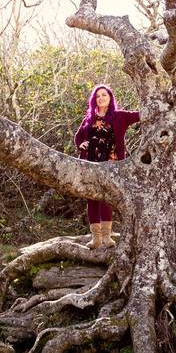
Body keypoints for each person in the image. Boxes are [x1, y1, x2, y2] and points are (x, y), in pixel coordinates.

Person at [74, 84, 140, 248]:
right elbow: (79, 136)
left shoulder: (119, 116)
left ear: (110, 98)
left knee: (106, 198)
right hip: (90, 162)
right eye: (98, 96)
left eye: (104, 95)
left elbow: (141, 115)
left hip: (111, 164)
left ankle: (107, 237)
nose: (101, 98)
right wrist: (81, 144)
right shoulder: (89, 118)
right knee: (92, 198)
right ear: (94, 100)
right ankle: (96, 239)